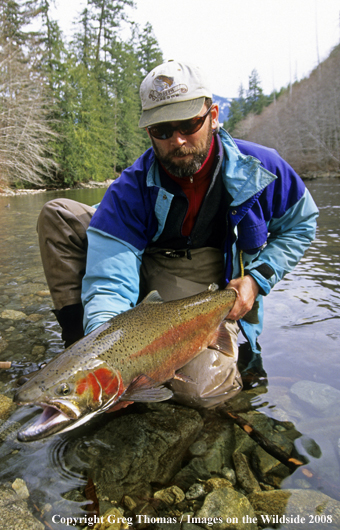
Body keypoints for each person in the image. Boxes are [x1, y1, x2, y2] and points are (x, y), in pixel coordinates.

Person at [37, 61, 318, 408]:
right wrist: (106, 364)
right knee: (59, 216)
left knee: (198, 391)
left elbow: (302, 224)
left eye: (189, 124)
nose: (178, 140)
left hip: (209, 274)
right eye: (162, 130)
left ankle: (237, 355)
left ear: (213, 115)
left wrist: (257, 280)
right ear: (149, 132)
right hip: (144, 257)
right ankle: (77, 355)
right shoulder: (129, 188)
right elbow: (109, 282)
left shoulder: (265, 169)